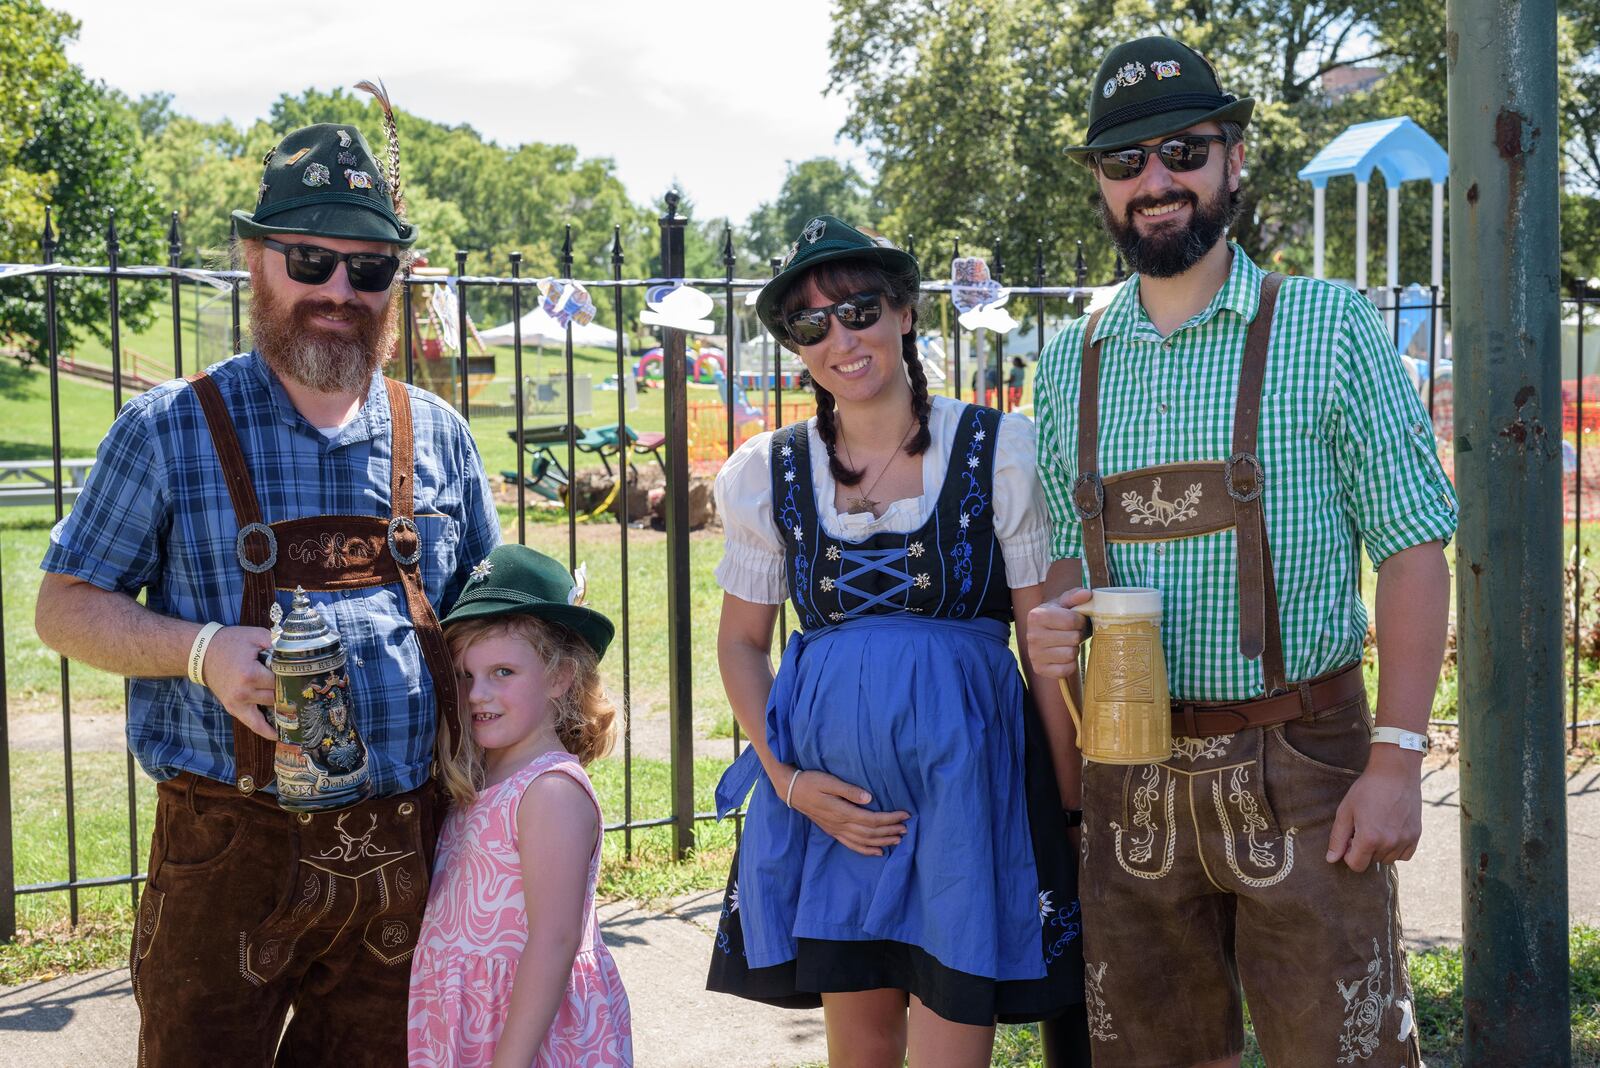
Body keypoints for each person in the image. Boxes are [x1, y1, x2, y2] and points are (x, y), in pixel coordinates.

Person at [33, 117, 501, 1064]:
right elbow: (63, 605)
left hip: (407, 852)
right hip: (225, 854)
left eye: (367, 270)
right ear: (257, 261)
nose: (339, 290)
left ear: (393, 282)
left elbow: (490, 626)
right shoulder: (168, 427)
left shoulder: (437, 433)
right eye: (310, 259)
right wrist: (201, 653)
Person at [1027, 37, 1456, 1068]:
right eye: (1125, 162)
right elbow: (1058, 569)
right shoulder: (1065, 366)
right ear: (1098, 181)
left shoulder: (1328, 326)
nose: (1154, 181)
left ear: (1233, 158)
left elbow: (1411, 548)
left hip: (1306, 762)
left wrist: (1395, 760)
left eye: (1182, 149)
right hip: (1127, 777)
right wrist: (1051, 627)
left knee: (1340, 1055)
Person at [707, 216, 1089, 1067]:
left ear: (906, 311)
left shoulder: (998, 453)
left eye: (859, 308)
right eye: (810, 325)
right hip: (834, 810)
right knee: (862, 1048)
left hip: (967, 796)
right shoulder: (769, 472)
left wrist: (1066, 808)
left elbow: (1043, 643)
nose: (840, 336)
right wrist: (788, 780)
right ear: (795, 349)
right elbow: (740, 644)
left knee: (956, 1037)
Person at [408, 544, 632, 1067]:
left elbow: (554, 941)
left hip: (525, 1035)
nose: (477, 694)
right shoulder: (484, 777)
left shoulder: (549, 792)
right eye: (465, 675)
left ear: (560, 677)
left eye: (503, 672)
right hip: (468, 1021)